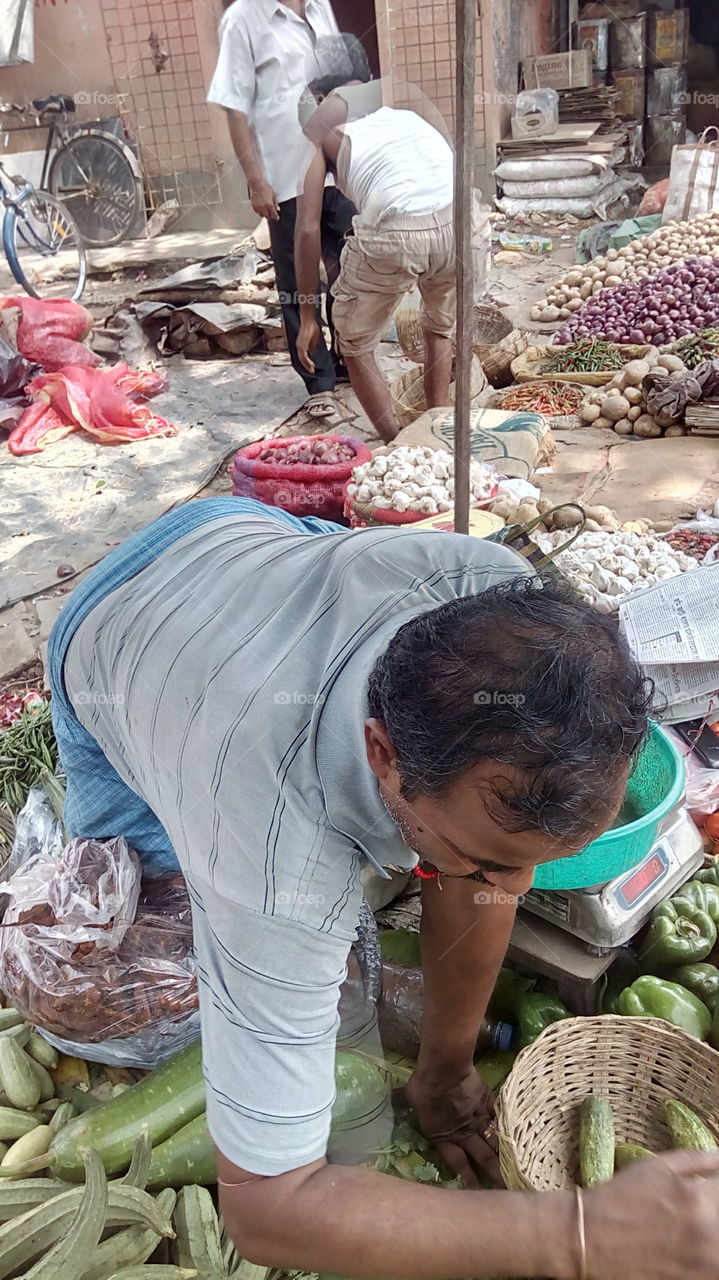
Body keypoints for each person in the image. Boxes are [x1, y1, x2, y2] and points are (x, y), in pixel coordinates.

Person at [48, 495, 719, 1280]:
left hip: (250, 539)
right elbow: (267, 1210)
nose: (515, 887)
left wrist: (445, 1066)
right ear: (382, 752)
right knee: (137, 893)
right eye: (487, 859)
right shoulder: (268, 856)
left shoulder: (501, 608)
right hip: (117, 624)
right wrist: (572, 1237)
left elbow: (481, 868)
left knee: (458, 850)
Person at [295, 36, 456, 442]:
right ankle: (435, 438)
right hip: (462, 223)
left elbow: (308, 227)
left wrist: (310, 318)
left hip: (398, 228)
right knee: (439, 328)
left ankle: (402, 447)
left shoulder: (322, 130)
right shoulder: (405, 114)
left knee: (354, 341)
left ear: (319, 95)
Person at [208, 0, 356, 400]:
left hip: (336, 167)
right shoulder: (244, 17)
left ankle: (350, 359)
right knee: (298, 286)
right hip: (287, 173)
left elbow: (342, 77)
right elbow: (234, 107)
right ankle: (319, 382)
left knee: (353, 268)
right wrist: (256, 180)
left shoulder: (319, 6)